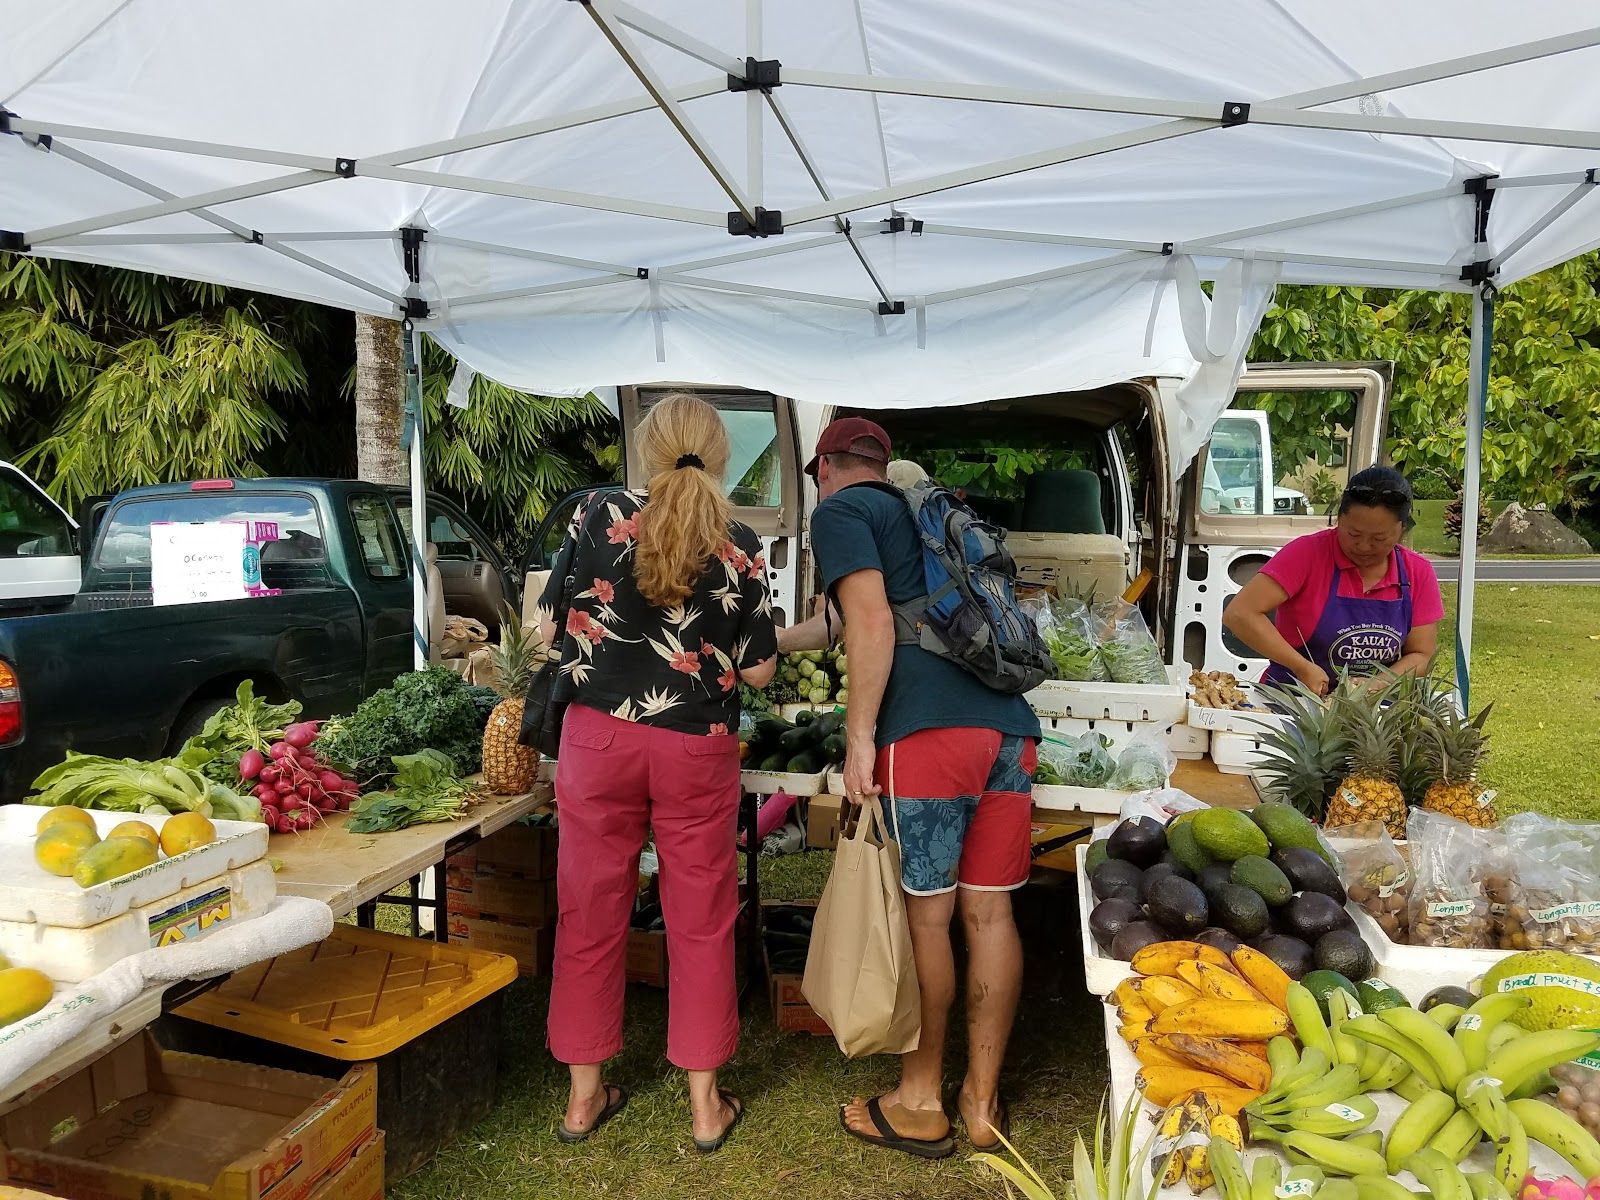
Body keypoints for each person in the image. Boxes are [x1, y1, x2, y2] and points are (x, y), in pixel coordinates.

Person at [778, 417, 1041, 1159]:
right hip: (1008, 731)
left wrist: (859, 735)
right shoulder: (918, 520)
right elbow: (840, 620)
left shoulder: (840, 511)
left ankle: (921, 1098)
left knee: (929, 919)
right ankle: (981, 1103)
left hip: (927, 737)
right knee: (989, 917)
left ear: (825, 465)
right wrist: (768, 643)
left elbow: (869, 625)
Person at [537, 393, 778, 1152]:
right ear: (720, 454)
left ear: (646, 450)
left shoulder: (596, 513)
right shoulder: (738, 542)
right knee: (701, 916)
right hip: (695, 746)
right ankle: (706, 1108)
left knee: (589, 906)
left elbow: (549, 626)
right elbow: (763, 671)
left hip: (598, 738)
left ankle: (584, 1099)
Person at [1223, 465, 1443, 694]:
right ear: (1339, 518)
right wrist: (1301, 667)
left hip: (1373, 711)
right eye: (1353, 534)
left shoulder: (1417, 571)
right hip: (1291, 700)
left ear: (1402, 529)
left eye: (1379, 538)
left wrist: (1378, 683)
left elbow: (1421, 654)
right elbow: (1239, 614)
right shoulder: (1307, 554)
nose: (1364, 546)